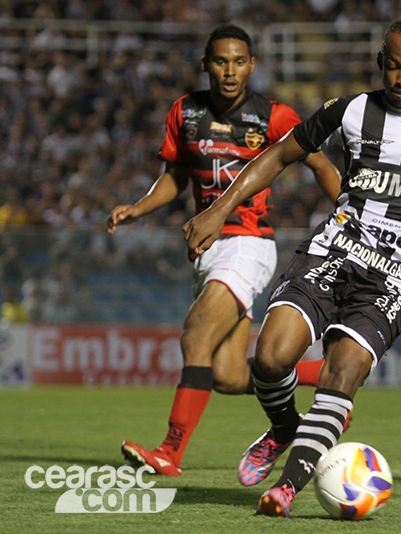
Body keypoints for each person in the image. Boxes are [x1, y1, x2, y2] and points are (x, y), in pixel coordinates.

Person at [183, 19, 401, 517]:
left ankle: (286, 488)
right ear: (380, 63)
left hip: (393, 276)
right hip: (335, 252)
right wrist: (219, 209)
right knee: (269, 358)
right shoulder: (351, 110)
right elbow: (280, 154)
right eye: (393, 66)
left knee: (342, 371)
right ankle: (285, 428)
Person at [107, 24, 341, 477]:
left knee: (196, 334)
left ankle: (170, 452)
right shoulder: (185, 111)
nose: (229, 71)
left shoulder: (274, 117)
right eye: (220, 61)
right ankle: (329, 378)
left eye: (238, 62)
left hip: (248, 244)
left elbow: (319, 162)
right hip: (207, 249)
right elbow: (176, 177)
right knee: (229, 375)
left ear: (252, 65)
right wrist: (139, 207)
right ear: (205, 65)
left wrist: (349, 214)